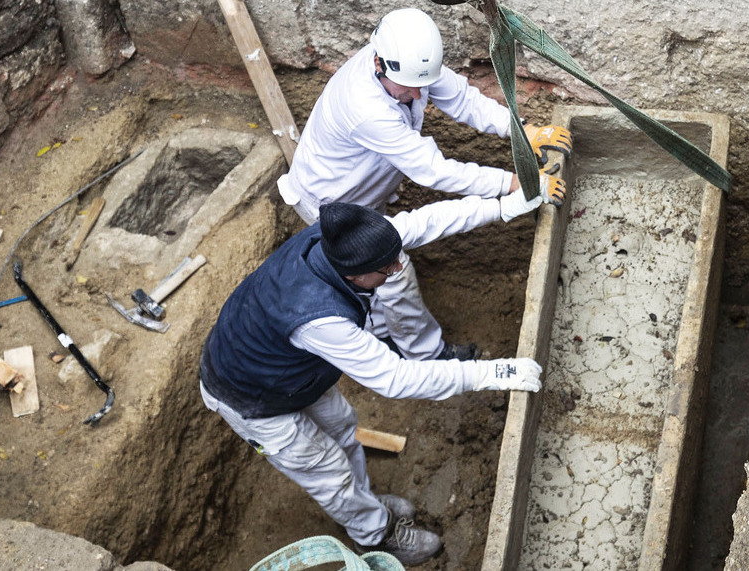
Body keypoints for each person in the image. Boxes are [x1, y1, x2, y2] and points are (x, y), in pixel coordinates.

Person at [199, 184, 563, 565]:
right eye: (387, 269)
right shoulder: (319, 319)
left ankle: (365, 502)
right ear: (356, 276)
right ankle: (376, 535)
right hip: (248, 395)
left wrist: (504, 207)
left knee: (343, 425)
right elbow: (396, 378)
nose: (396, 268)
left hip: (287, 370)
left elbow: (426, 222)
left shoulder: (347, 242)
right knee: (327, 468)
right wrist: (494, 372)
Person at [277, 7, 572, 362]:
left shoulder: (407, 62)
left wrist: (523, 130)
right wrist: (513, 182)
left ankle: (383, 333)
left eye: (423, 85)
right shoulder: (365, 108)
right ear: (378, 65)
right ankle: (425, 355)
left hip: (365, 195)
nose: (419, 97)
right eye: (410, 89)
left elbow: (462, 100)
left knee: (374, 278)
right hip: (331, 202)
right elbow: (435, 171)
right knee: (392, 271)